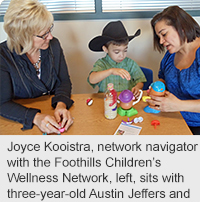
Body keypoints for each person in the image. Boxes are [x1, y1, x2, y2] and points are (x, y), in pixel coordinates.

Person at [0, 0, 74, 134]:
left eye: (49, 30)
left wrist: (61, 105)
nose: (50, 37)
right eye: (43, 34)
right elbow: (2, 103)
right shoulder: (3, 56)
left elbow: (64, 81)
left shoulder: (54, 46)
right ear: (22, 36)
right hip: (20, 122)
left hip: (52, 116)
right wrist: (35, 117)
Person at [149, 5, 200, 135]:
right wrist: (156, 89)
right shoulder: (170, 56)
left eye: (164, 34)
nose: (161, 41)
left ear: (182, 28)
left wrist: (179, 105)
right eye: (158, 37)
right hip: (172, 118)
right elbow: (164, 79)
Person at [87, 21, 146, 98]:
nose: (122, 55)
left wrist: (137, 88)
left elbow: (140, 81)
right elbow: (92, 79)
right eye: (117, 52)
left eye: (125, 50)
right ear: (105, 49)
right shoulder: (101, 64)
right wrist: (111, 71)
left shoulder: (130, 63)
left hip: (126, 100)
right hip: (107, 101)